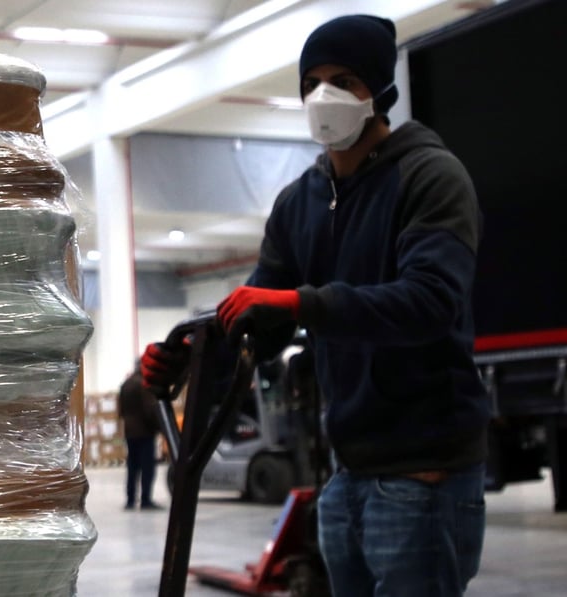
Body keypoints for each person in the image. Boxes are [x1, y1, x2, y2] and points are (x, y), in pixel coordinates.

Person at [142, 13, 490, 597]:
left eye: (344, 80)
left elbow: (430, 302)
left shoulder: (431, 176)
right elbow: (260, 320)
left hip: (424, 472)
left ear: (380, 91)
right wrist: (189, 351)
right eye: (311, 83)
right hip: (345, 470)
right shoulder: (299, 201)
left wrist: (301, 303)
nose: (322, 95)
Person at [118, 362, 163, 510]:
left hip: (130, 432)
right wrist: (159, 427)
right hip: (145, 432)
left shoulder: (125, 384)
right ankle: (145, 500)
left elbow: (121, 410)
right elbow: (149, 410)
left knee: (132, 467)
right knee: (147, 467)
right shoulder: (144, 385)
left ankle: (130, 500)